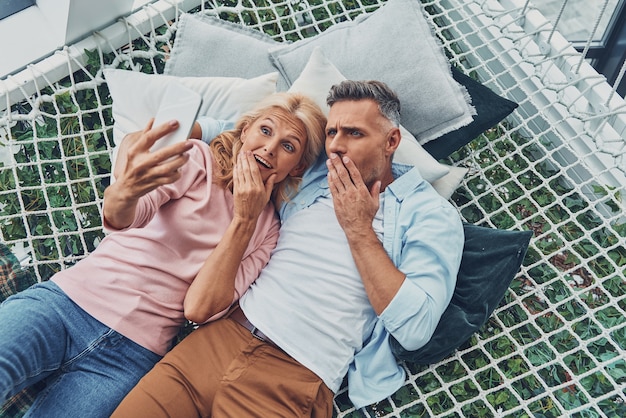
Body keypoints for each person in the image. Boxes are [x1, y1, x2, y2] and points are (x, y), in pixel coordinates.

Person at [111, 80, 465, 417]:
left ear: (391, 141)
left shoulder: (431, 217)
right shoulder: (312, 172)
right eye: (331, 133)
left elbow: (416, 328)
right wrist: (176, 134)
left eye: (354, 133)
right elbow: (249, 133)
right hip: (216, 340)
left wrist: (358, 230)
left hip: (294, 375)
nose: (337, 146)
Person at [0, 92, 326, 418]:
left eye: (288, 146)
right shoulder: (197, 159)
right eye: (265, 131)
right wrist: (121, 193)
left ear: (296, 167)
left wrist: (244, 219)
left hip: (128, 359)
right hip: (64, 306)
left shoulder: (268, 232)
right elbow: (125, 214)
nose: (269, 147)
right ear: (245, 132)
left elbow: (199, 309)